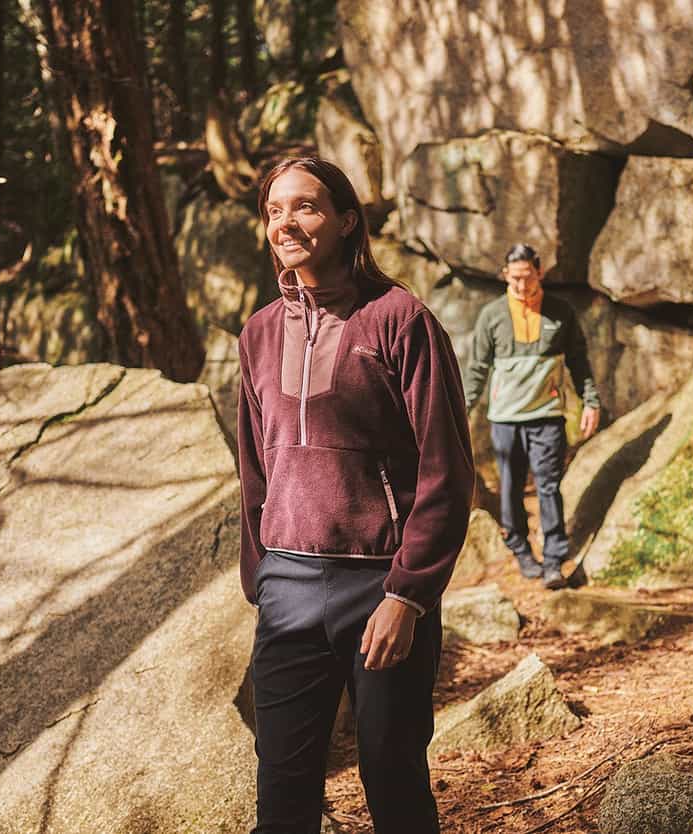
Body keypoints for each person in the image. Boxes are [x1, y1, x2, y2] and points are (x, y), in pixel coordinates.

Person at [237, 156, 474, 834]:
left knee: (394, 785)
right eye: (274, 210)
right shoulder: (258, 334)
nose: (286, 222)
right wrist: (262, 578)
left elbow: (447, 470)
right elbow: (254, 469)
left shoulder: (400, 319)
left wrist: (408, 595)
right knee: (283, 797)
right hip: (287, 590)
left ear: (346, 221)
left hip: (381, 586)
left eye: (305, 206)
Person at [464, 243, 600, 590]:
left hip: (547, 416)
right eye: (515, 278)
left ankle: (554, 559)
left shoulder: (561, 312)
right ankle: (521, 550)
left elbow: (579, 362)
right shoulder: (492, 315)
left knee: (548, 486)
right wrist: (460, 411)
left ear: (539, 272)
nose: (522, 285)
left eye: (528, 277)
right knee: (510, 487)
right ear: (505, 276)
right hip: (505, 419)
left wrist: (591, 401)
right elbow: (477, 369)